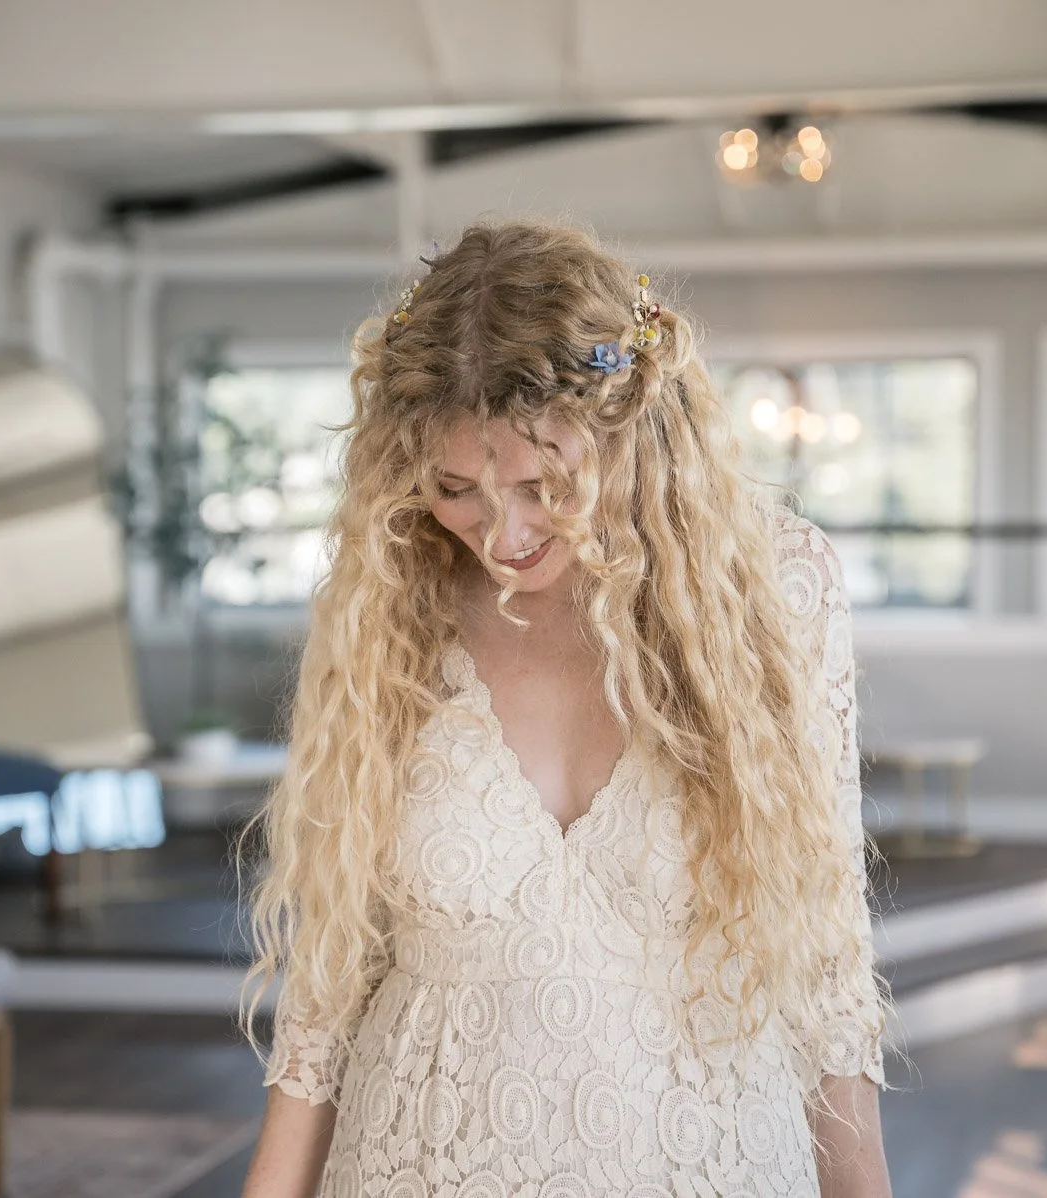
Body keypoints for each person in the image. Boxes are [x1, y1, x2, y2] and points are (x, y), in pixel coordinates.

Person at [238, 220, 892, 1198]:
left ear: (628, 430)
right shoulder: (392, 600)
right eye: (456, 487)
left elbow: (828, 964)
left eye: (543, 486)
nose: (501, 534)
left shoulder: (778, 589)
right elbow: (327, 996)